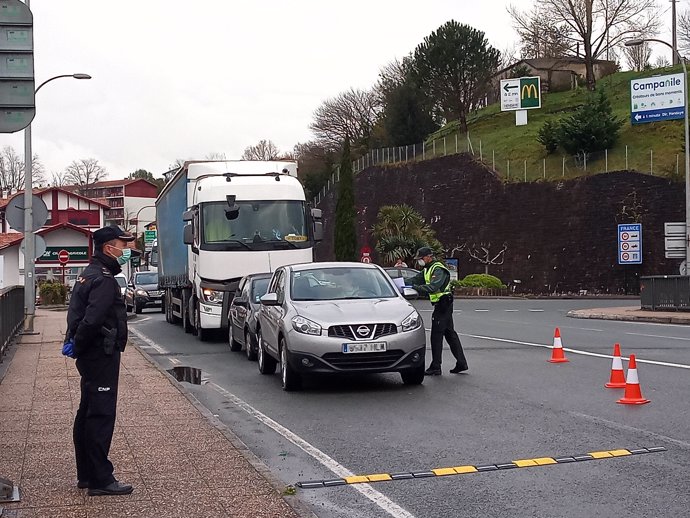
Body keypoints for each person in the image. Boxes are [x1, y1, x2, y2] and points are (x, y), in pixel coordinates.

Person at [65, 225, 136, 496]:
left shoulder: (89, 274)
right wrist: (81, 345)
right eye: (123, 244)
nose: (126, 249)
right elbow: (92, 319)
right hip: (100, 354)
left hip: (91, 355)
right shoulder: (104, 279)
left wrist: (77, 347)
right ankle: (101, 479)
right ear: (109, 248)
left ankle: (86, 474)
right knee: (101, 414)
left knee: (87, 411)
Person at [408, 246, 468, 376]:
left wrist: (415, 287)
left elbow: (433, 287)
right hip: (442, 304)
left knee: (436, 335)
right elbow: (413, 280)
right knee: (450, 334)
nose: (420, 261)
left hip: (443, 304)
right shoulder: (427, 270)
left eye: (421, 258)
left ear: (429, 257)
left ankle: (436, 366)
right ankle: (461, 363)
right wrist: (396, 283)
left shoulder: (438, 269)